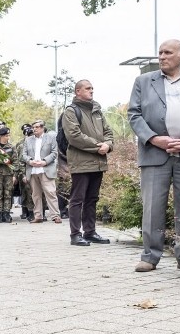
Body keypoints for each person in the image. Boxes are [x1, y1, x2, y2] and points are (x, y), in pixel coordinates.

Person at [128, 39, 180, 273]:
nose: (162, 57)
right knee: (152, 206)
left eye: (168, 52)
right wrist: (154, 138)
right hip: (154, 152)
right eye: (160, 53)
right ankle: (150, 256)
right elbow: (134, 114)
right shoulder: (143, 81)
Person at [63, 80, 113, 246]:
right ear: (78, 91)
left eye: (92, 88)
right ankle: (75, 234)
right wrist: (98, 146)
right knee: (77, 199)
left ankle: (90, 232)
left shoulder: (97, 110)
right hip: (81, 162)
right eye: (88, 88)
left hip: (98, 162)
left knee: (92, 198)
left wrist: (108, 145)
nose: (92, 91)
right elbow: (74, 136)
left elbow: (108, 132)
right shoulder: (71, 111)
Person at [18, 120, 61, 223]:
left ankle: (55, 215)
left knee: (50, 192)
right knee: (35, 194)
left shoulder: (50, 138)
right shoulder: (28, 140)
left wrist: (44, 162)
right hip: (32, 170)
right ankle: (38, 216)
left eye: (37, 127)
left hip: (46, 168)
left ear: (42, 128)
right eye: (34, 127)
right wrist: (30, 161)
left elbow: (54, 153)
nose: (35, 129)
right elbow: (23, 155)